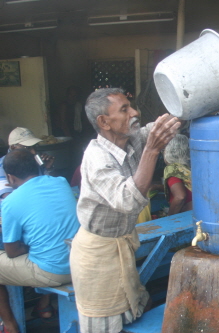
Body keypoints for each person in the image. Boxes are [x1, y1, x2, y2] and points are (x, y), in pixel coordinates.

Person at [69, 88, 180, 333]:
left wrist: (185, 106)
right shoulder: (97, 158)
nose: (134, 112)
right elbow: (129, 200)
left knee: (133, 312)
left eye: (130, 106)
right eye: (124, 109)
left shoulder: (132, 139)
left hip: (121, 246)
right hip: (98, 256)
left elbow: (167, 125)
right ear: (104, 122)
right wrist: (151, 151)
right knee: (107, 325)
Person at [0, 149, 79, 333]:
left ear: (10, 178)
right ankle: (43, 306)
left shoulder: (11, 202)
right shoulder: (61, 182)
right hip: (79, 262)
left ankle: (10, 325)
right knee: (47, 250)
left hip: (54, 272)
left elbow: (11, 251)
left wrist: (28, 245)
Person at [0, 127, 55, 210]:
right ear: (13, 147)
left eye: (34, 147)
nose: (33, 151)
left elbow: (53, 186)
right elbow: (8, 197)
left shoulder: (34, 160)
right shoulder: (3, 164)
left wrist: (48, 168)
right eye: (28, 148)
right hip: (17, 211)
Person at [163, 134, 192, 216]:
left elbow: (180, 196)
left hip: (186, 216)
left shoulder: (172, 169)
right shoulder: (188, 167)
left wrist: (170, 217)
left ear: (169, 151)